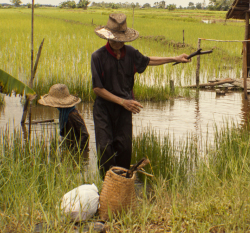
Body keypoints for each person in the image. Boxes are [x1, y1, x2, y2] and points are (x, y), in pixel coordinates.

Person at [91, 13, 190, 175]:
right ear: (107, 37)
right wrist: (123, 101)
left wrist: (175, 58)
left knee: (124, 148)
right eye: (115, 39)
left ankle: (122, 184)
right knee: (105, 149)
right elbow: (97, 89)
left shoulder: (130, 53)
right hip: (104, 109)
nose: (118, 42)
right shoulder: (98, 57)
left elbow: (148, 60)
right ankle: (107, 186)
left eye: (121, 39)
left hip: (124, 111)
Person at [38, 84, 89, 151]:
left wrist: (76, 151)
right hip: (70, 147)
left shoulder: (72, 114)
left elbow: (85, 135)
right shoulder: (63, 113)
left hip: (76, 151)